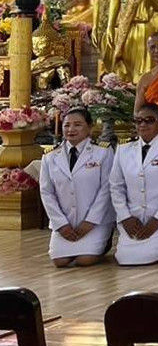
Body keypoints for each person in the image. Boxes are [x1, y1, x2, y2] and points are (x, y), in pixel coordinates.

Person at [109, 102, 158, 266]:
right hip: (134, 217)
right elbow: (116, 186)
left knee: (146, 257)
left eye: (149, 120)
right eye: (138, 121)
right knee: (125, 258)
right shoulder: (124, 148)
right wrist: (125, 217)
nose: (143, 124)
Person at [39, 108, 113, 267]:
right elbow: (47, 192)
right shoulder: (50, 155)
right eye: (67, 125)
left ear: (90, 127)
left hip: (95, 221)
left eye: (77, 125)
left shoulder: (103, 152)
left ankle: (104, 242)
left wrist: (91, 221)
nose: (71, 129)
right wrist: (61, 224)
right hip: (65, 221)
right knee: (60, 261)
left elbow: (106, 189)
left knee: (85, 260)